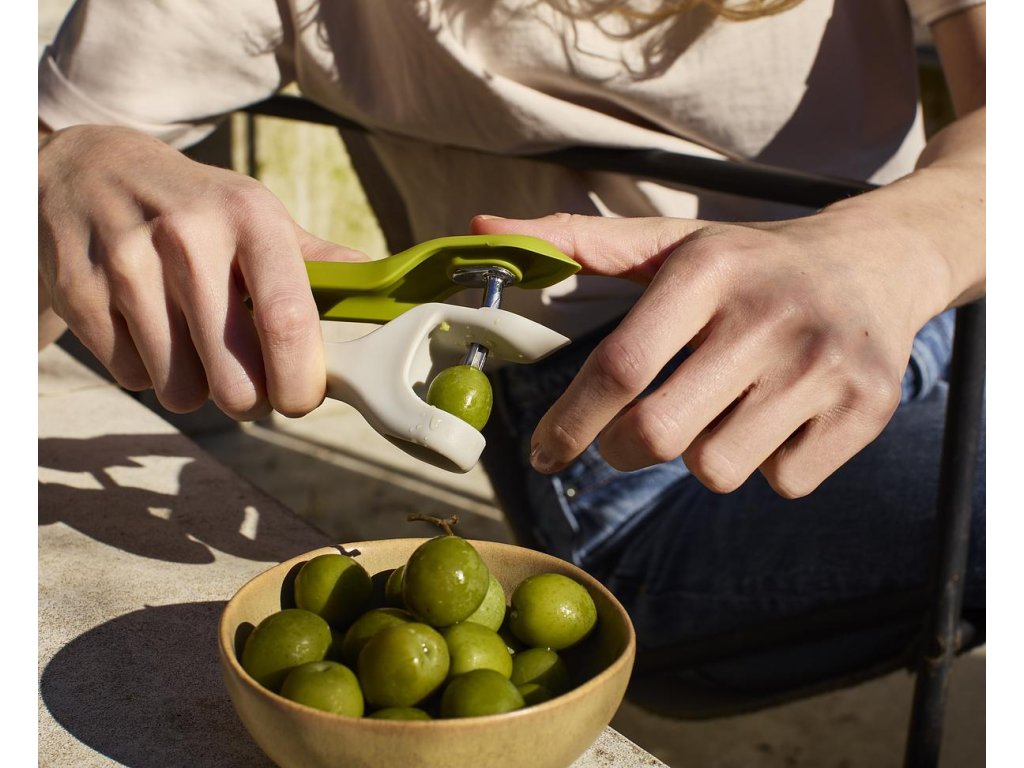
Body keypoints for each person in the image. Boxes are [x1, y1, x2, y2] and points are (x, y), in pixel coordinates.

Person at [38, 0, 985, 709]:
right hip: (644, 444)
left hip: (940, 316)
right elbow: (44, 164)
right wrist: (58, 166)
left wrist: (892, 246)